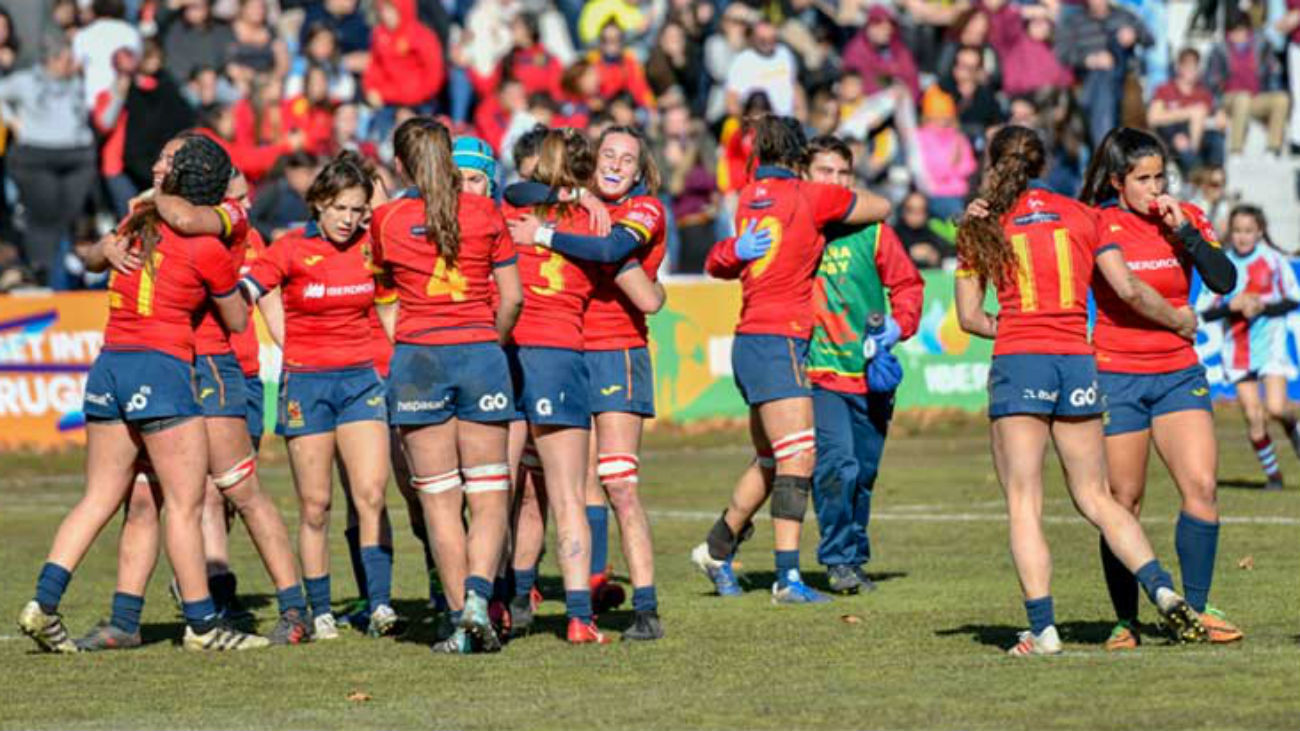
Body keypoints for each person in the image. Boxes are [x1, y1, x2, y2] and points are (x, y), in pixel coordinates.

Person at [955, 125, 1206, 656]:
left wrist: (1018, 328)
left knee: (1024, 502)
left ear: (993, 166)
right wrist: (1178, 320)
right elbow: (1128, 287)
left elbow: (969, 317)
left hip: (1020, 360)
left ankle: (1043, 630)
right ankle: (1162, 587)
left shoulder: (981, 224)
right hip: (1076, 359)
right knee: (1097, 497)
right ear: (1044, 164)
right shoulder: (1083, 215)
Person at [18, 135, 268, 652]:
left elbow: (95, 257)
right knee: (184, 504)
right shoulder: (208, 243)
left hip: (109, 366)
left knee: (98, 498)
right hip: (162, 367)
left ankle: (43, 602)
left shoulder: (136, 223)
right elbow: (238, 319)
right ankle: (202, 625)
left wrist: (106, 249)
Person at [691, 116, 891, 604]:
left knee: (769, 461)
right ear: (800, 160)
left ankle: (716, 549)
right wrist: (839, 198)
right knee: (799, 455)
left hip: (750, 339)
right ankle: (787, 578)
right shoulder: (809, 196)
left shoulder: (748, 196)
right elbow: (881, 205)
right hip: (780, 340)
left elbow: (719, 261)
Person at [1077, 127, 1242, 649]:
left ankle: (1196, 609)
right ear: (1117, 181)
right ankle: (1126, 621)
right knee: (1123, 499)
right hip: (1117, 373)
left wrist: (1186, 235)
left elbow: (1224, 280)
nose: (1155, 189)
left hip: (1178, 372)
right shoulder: (1099, 223)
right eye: (1143, 179)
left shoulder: (1185, 217)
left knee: (1203, 486)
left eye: (1160, 177)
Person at [503, 126, 670, 640]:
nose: (616, 164)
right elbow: (517, 189)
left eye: (627, 159)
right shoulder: (572, 206)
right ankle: (532, 591)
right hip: (568, 353)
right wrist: (573, 196)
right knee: (550, 485)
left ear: (640, 172)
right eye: (607, 155)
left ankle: (645, 606)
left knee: (618, 483)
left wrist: (545, 235)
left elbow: (617, 258)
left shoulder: (642, 210)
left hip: (616, 351)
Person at [371, 118, 522, 653]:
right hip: (480, 354)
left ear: (400, 165)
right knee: (489, 492)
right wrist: (488, 341)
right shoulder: (485, 212)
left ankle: (461, 622)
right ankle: (480, 598)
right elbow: (513, 297)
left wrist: (410, 339)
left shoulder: (386, 219)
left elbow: (384, 299)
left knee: (439, 501)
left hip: (419, 360)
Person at [242, 152, 397, 640]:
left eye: (357, 210)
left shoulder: (372, 247)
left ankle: (380, 604)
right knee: (316, 505)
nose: (349, 220)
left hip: (361, 382)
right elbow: (246, 291)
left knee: (371, 494)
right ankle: (322, 608)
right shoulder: (289, 248)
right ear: (319, 205)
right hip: (306, 386)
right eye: (340, 209)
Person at [786, 135, 923, 593]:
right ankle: (838, 559)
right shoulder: (796, 229)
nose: (836, 181)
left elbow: (908, 285)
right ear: (803, 176)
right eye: (825, 171)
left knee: (863, 474)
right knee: (837, 467)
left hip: (870, 376)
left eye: (843, 173)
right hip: (820, 375)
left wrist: (897, 328)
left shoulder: (875, 231)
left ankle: (854, 557)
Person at [1199, 205, 1300, 491]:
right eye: (1237, 231)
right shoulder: (1223, 264)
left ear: (1259, 232)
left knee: (1277, 407)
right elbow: (1205, 311)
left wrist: (1262, 306)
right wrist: (1231, 306)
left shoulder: (1273, 260)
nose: (1242, 237)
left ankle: (1293, 428)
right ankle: (1274, 478)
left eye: (1248, 231)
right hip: (1237, 351)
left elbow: (1294, 298)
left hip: (1271, 345)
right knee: (1254, 418)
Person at [0, 34, 97, 286]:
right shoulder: (26, 81)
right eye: (67, 59)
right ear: (51, 61)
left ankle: (68, 271)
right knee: (43, 217)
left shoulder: (77, 80)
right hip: (36, 155)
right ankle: (43, 272)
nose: (72, 64)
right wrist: (11, 120)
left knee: (70, 216)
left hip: (77, 155)